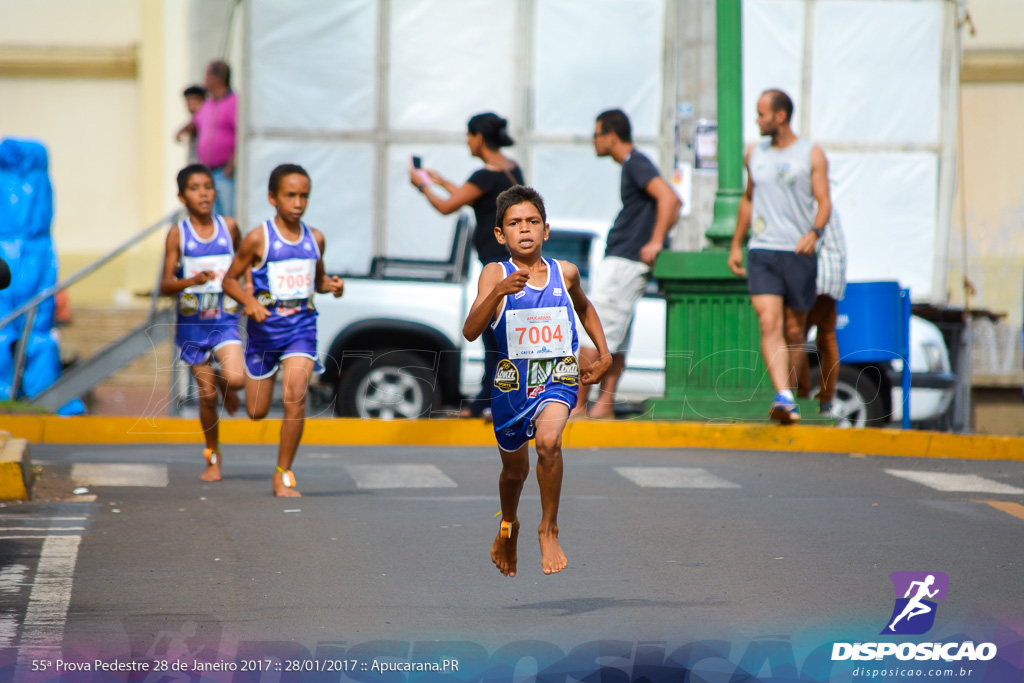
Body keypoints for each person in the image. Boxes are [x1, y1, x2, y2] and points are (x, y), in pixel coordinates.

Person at [463, 185, 611, 577]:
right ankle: (508, 525)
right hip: (511, 388)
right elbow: (470, 331)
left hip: (558, 378)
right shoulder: (496, 273)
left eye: (532, 222)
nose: (524, 229)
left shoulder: (565, 273)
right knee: (515, 472)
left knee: (549, 442)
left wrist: (605, 352)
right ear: (501, 235)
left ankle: (549, 527)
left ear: (546, 230)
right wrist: (497, 293)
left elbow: (584, 307)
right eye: (514, 223)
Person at [221, 164, 344, 497]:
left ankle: (283, 473)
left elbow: (316, 280)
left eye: (304, 196)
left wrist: (330, 285)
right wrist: (249, 301)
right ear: (273, 197)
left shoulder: (315, 238)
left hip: (300, 330)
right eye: (290, 195)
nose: (298, 203)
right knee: (257, 412)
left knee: (295, 397)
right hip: (264, 335)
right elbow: (229, 279)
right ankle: (229, 384)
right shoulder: (259, 238)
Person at [411, 112, 525, 419]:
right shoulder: (510, 170)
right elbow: (475, 197)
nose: (466, 141)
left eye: (468, 135)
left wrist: (422, 186)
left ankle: (487, 401)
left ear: (479, 137)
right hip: (512, 262)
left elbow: (449, 206)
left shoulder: (484, 176)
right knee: (506, 335)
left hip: (495, 264)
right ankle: (494, 396)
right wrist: (440, 180)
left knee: (491, 332)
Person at [728, 89, 832, 424]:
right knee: (769, 320)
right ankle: (784, 397)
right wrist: (735, 244)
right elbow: (748, 199)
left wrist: (814, 233)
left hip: (798, 251)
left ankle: (797, 394)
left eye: (762, 115)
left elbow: (824, 201)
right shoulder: (754, 154)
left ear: (781, 116)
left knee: (794, 330)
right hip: (762, 251)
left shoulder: (810, 154)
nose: (757, 121)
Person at [576, 109, 682, 418]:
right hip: (629, 260)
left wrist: (656, 240)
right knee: (616, 335)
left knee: (593, 333)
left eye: (596, 134)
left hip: (624, 260)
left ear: (611, 135)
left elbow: (670, 198)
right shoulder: (634, 164)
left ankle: (577, 407)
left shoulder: (634, 162)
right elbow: (671, 202)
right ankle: (603, 406)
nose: (593, 141)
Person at [159, 164, 246, 482]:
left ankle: (226, 384)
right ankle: (213, 456)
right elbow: (166, 285)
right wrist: (192, 280)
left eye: (208, 186)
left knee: (236, 379)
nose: (204, 193)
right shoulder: (178, 234)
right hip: (192, 325)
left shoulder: (230, 228)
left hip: (224, 320)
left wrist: (247, 291)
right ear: (182, 197)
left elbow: (243, 262)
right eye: (195, 188)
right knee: (206, 398)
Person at [796, 210, 847, 419]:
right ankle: (826, 398)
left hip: (817, 277)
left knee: (796, 336)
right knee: (826, 338)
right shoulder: (829, 207)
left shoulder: (811, 205)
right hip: (834, 279)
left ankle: (802, 393)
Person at [193, 61, 236, 218]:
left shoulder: (234, 102)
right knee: (211, 219)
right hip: (207, 173)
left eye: (207, 76)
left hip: (225, 173)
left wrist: (232, 164)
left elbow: (242, 135)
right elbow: (196, 122)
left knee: (227, 219)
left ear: (218, 78)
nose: (204, 80)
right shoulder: (208, 104)